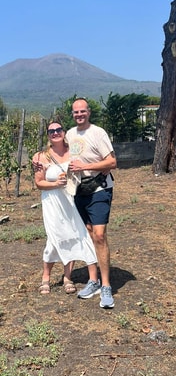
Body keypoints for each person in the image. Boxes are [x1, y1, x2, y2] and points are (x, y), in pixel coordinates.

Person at [32, 121, 98, 295]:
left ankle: (68, 277)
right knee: (54, 238)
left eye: (58, 129)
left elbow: (88, 163)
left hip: (71, 201)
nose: (55, 133)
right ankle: (46, 278)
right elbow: (38, 183)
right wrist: (55, 183)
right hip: (52, 203)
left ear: (64, 132)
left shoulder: (73, 153)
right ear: (48, 135)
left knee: (72, 235)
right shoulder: (41, 156)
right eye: (51, 131)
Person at [66, 98, 117, 308]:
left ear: (89, 112)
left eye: (82, 111)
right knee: (87, 234)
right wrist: (38, 159)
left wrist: (88, 166)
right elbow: (57, 153)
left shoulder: (98, 133)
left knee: (99, 234)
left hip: (99, 188)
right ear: (73, 114)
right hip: (79, 190)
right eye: (76, 112)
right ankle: (93, 280)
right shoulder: (69, 134)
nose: (79, 114)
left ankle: (106, 286)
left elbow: (112, 161)